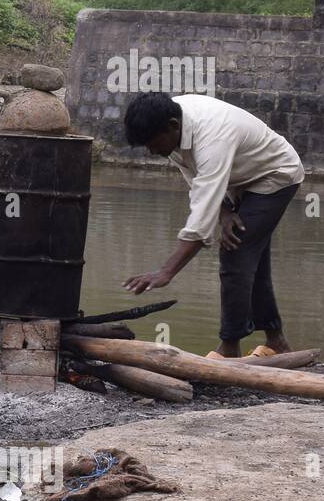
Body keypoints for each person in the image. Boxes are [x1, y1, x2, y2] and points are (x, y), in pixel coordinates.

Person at [121, 92, 304, 358]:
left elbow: (200, 221)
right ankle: (276, 343)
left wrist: (166, 272)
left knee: (235, 251)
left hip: (274, 175)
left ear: (173, 125)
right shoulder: (171, 126)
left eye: (152, 143)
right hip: (239, 180)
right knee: (252, 261)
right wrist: (225, 211)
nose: (151, 151)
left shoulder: (212, 137)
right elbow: (197, 180)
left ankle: (229, 347)